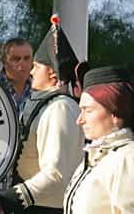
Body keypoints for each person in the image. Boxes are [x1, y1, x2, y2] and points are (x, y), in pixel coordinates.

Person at [0, 27, 84, 214]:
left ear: (52, 74)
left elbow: (56, 174)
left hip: (45, 207)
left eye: (36, 66)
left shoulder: (60, 108)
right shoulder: (52, 105)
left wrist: (4, 201)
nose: (30, 70)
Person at [63, 66, 134, 214]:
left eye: (88, 111)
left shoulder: (128, 158)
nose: (79, 120)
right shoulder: (98, 155)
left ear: (115, 113)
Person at [0, 38, 33, 115]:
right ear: (4, 62)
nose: (22, 63)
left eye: (26, 58)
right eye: (16, 59)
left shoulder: (41, 89)